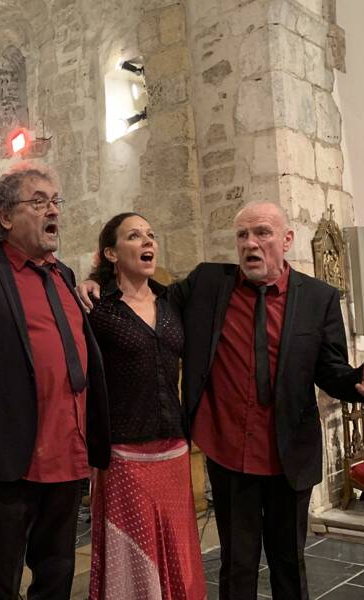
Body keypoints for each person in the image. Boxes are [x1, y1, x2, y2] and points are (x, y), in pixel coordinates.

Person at [80, 201, 364, 600]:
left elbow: (330, 369)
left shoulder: (318, 298)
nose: (250, 243)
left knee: (289, 562)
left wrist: (357, 384)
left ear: (286, 239)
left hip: (288, 454)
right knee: (237, 563)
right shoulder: (209, 283)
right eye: (242, 234)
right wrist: (95, 284)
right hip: (229, 454)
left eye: (262, 232)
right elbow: (145, 297)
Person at [0, 165, 111, 600]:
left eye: (56, 201)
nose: (52, 209)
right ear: (4, 217)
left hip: (67, 455)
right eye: (38, 202)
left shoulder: (65, 276)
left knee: (56, 575)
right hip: (5, 456)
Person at [86, 212, 206, 600]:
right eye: (134, 236)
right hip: (124, 452)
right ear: (111, 253)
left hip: (173, 447)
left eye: (151, 235)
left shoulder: (172, 303)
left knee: (176, 548)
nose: (147, 242)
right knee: (134, 555)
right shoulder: (98, 308)